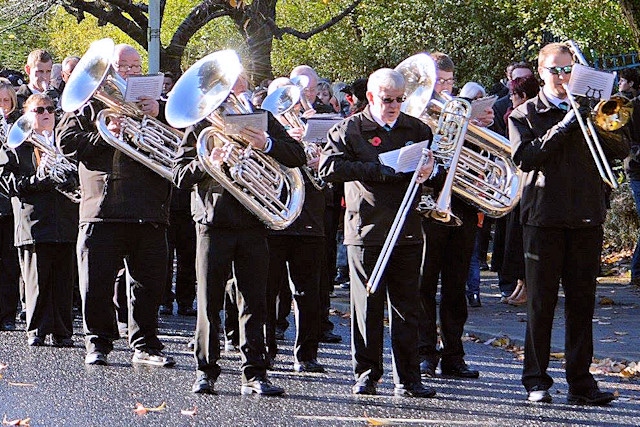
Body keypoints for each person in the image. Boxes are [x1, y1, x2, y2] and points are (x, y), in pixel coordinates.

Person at [173, 71, 306, 396]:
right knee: (209, 302)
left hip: (252, 221)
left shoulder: (264, 120)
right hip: (212, 223)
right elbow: (178, 174)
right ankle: (205, 372)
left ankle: (255, 374)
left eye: (237, 82)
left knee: (254, 302)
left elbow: (297, 157)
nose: (233, 89)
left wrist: (268, 144)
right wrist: (207, 163)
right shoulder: (202, 123)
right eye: (225, 85)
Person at [508, 42, 627, 405]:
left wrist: (596, 122)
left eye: (567, 70)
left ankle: (581, 382)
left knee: (582, 303)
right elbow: (525, 158)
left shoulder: (591, 109)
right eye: (554, 70)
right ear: (540, 73)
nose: (561, 77)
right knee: (541, 304)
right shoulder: (525, 114)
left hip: (587, 215)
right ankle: (536, 380)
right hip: (544, 218)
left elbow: (621, 149)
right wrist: (563, 125)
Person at [320, 68, 436, 398]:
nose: (395, 105)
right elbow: (329, 168)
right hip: (366, 228)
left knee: (406, 308)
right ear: (371, 97)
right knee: (366, 306)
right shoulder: (349, 129)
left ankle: (409, 378)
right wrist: (377, 170)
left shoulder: (417, 128)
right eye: (388, 99)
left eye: (400, 99)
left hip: (406, 229)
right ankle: (367, 374)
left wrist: (430, 169)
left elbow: (435, 166)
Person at [58, 43, 174, 367]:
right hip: (102, 208)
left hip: (149, 208)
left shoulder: (158, 106)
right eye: (124, 67)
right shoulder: (87, 105)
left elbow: (182, 145)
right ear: (109, 69)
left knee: (148, 284)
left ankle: (146, 344)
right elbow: (66, 141)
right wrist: (104, 133)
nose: (131, 72)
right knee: (96, 282)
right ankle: (98, 343)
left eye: (136, 67)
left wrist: (159, 115)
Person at [418, 52, 487, 380]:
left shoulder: (463, 110)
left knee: (456, 287)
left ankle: (454, 356)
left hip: (462, 205)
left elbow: (486, 160)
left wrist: (477, 131)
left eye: (449, 81)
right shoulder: (416, 113)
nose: (445, 88)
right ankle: (425, 353)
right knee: (424, 285)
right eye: (439, 82)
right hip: (429, 207)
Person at [6, 94, 78, 347]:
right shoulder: (16, 145)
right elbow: (10, 184)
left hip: (65, 219)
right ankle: (36, 328)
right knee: (36, 279)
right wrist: (41, 177)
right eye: (39, 110)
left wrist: (68, 176)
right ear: (27, 115)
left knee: (64, 279)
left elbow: (79, 175)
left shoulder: (64, 143)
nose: (46, 113)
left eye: (50, 109)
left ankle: (62, 331)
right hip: (34, 222)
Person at [500, 74, 541, 307]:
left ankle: (526, 286)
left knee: (523, 240)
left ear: (523, 96)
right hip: (517, 184)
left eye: (513, 94)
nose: (510, 99)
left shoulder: (527, 115)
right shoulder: (513, 114)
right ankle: (520, 285)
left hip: (528, 185)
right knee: (514, 240)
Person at [0, 79, 21, 332]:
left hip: (10, 200)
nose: (3, 106)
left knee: (9, 262)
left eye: (7, 101)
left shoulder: (18, 125)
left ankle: (7, 314)